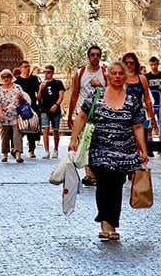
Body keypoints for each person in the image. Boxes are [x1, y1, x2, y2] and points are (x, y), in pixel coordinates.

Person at [68, 60, 149, 241]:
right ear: (108, 76)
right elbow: (81, 117)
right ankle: (105, 223)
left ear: (125, 76)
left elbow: (137, 126)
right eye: (114, 73)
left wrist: (143, 149)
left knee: (117, 186)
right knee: (104, 184)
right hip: (100, 149)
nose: (117, 77)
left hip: (124, 150)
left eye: (121, 73)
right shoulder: (96, 95)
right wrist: (73, 139)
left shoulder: (132, 101)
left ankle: (112, 222)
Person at [67, 46, 108, 185]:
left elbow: (111, 92)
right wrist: (70, 114)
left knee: (96, 143)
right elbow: (74, 94)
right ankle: (89, 174)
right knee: (85, 143)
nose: (95, 57)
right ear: (88, 56)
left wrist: (99, 86)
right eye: (92, 55)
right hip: (82, 113)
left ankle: (95, 172)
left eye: (98, 55)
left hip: (99, 114)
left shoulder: (105, 73)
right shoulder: (80, 73)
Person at [0, 69, 31, 163]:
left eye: (7, 76)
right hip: (4, 116)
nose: (6, 79)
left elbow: (24, 100)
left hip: (16, 115)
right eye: (4, 77)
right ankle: (4, 155)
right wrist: (0, 113)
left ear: (11, 78)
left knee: (17, 135)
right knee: (4, 136)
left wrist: (21, 98)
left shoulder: (17, 87)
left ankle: (18, 155)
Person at [122, 52, 157, 141]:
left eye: (131, 63)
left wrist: (152, 118)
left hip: (139, 114)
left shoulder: (142, 79)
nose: (129, 65)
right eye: (126, 63)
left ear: (136, 64)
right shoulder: (120, 79)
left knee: (142, 142)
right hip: (124, 115)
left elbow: (147, 99)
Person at [37, 65, 65, 159]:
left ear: (52, 73)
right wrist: (41, 88)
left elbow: (61, 96)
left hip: (55, 109)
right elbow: (38, 98)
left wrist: (56, 105)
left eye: (48, 72)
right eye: (45, 72)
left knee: (55, 130)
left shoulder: (58, 83)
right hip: (45, 109)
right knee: (45, 130)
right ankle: (46, 151)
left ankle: (56, 149)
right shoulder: (42, 84)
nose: (46, 74)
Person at [15, 60, 41, 158]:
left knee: (32, 127)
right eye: (25, 66)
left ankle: (31, 150)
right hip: (20, 107)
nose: (27, 68)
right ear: (21, 68)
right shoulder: (17, 80)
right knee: (19, 129)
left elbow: (38, 93)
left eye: (28, 66)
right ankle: (17, 149)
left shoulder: (34, 79)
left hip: (32, 106)